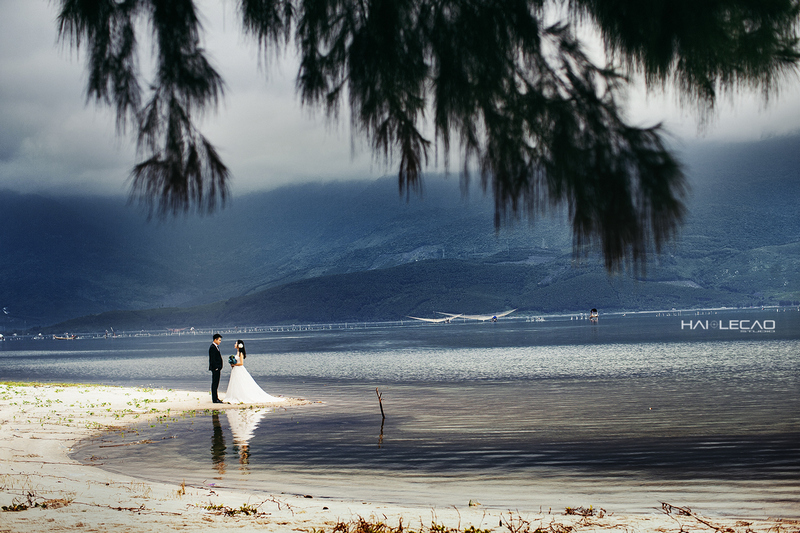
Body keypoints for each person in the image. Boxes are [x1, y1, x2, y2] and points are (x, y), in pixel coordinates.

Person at [224, 339, 285, 404]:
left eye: (236, 343)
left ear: (239, 345)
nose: (235, 344)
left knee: (240, 382)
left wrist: (234, 364)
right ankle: (235, 395)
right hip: (235, 369)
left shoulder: (241, 353)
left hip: (239, 368)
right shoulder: (237, 353)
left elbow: (241, 363)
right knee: (235, 382)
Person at [208, 333, 224, 403]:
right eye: (219, 340)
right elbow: (212, 359)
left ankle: (216, 397)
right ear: (215, 340)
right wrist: (216, 367)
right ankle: (214, 399)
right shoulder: (212, 347)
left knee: (216, 383)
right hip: (215, 369)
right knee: (215, 383)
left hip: (218, 368)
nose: (220, 341)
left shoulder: (216, 347)